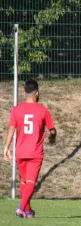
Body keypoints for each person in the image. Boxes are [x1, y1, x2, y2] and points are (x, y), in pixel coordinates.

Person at [3, 79, 57, 218]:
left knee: (24, 182)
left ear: (24, 93)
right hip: (35, 153)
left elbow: (11, 129)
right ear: (37, 93)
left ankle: (28, 211)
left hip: (20, 151)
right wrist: (53, 137)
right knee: (31, 183)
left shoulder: (17, 109)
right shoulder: (43, 110)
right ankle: (21, 208)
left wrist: (6, 147)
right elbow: (52, 129)